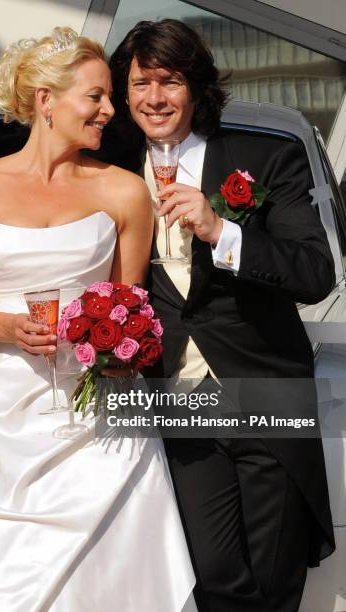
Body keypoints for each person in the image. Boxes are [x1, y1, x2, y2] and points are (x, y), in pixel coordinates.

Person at [0, 28, 197, 612]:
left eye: (109, 97)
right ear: (46, 101)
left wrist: (115, 347)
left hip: (94, 424)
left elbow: (129, 306)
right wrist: (6, 329)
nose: (111, 110)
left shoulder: (124, 192)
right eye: (97, 96)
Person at [106, 18, 336, 612]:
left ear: (197, 87)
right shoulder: (105, 168)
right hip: (174, 401)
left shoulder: (266, 156)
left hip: (265, 390)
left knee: (276, 572)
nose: (154, 98)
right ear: (123, 91)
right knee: (208, 572)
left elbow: (314, 274)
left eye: (170, 81)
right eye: (140, 84)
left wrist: (221, 230)